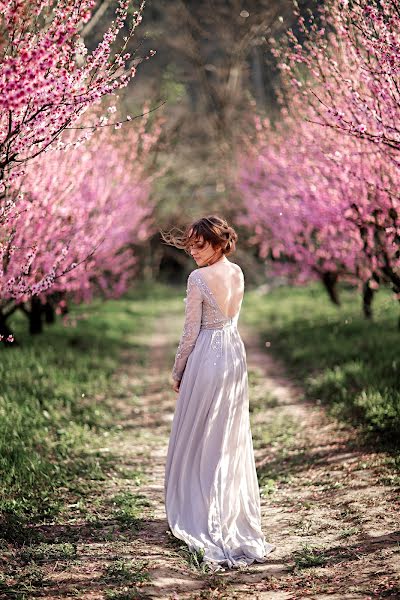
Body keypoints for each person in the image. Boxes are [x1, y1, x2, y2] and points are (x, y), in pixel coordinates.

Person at [160, 215, 275, 570]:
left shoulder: (198, 278)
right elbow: (232, 319)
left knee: (199, 433)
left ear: (219, 242)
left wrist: (178, 370)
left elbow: (190, 332)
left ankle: (202, 510)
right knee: (226, 435)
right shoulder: (237, 272)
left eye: (200, 244)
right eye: (190, 245)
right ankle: (224, 507)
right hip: (234, 355)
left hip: (207, 355)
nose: (193, 251)